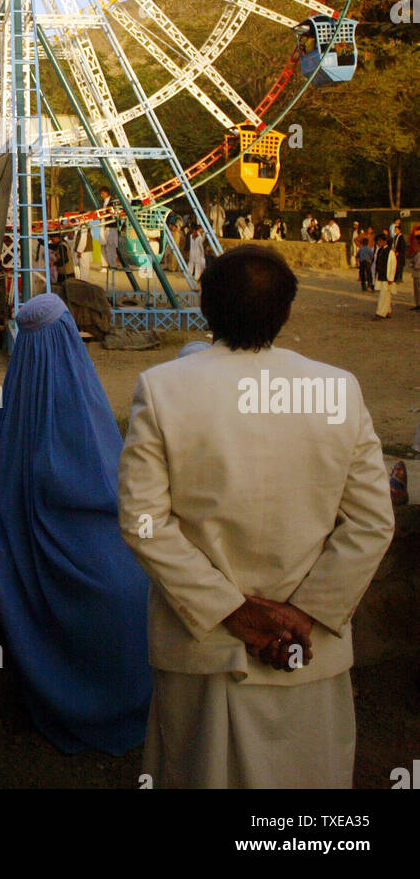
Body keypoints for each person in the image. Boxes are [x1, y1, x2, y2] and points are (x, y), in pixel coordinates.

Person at [118, 245, 394, 789]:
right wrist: (307, 613)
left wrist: (231, 611)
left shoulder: (164, 389)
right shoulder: (337, 389)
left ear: (205, 306)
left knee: (200, 768)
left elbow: (142, 520)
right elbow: (371, 522)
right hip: (307, 650)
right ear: (287, 311)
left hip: (205, 647)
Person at [0, 293, 152, 755]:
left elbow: (8, 483)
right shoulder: (79, 390)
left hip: (44, 536)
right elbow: (101, 481)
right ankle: (121, 706)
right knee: (134, 588)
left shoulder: (20, 395)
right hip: (91, 538)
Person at [374, 234, 397, 319]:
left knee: (383, 295)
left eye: (380, 241)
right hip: (381, 275)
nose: (379, 242)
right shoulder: (379, 250)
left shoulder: (390, 252)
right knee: (386, 295)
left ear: (385, 241)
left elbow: (393, 265)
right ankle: (387, 310)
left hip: (387, 277)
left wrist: (391, 277)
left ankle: (380, 313)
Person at [408, 225, 420, 310]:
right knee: (416, 290)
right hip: (416, 273)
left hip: (418, 272)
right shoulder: (416, 253)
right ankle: (418, 304)